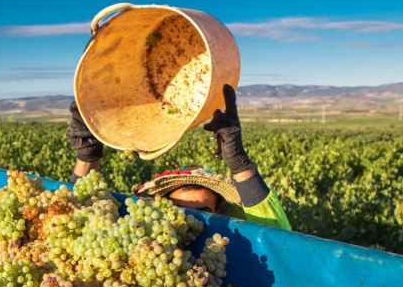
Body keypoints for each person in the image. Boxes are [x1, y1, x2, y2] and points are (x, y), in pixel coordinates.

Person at [67, 85, 291, 231]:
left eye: (202, 214)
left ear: (219, 214)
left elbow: (278, 239)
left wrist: (240, 164)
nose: (187, 222)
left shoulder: (229, 250)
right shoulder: (145, 248)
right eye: (177, 211)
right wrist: (88, 157)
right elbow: (82, 221)